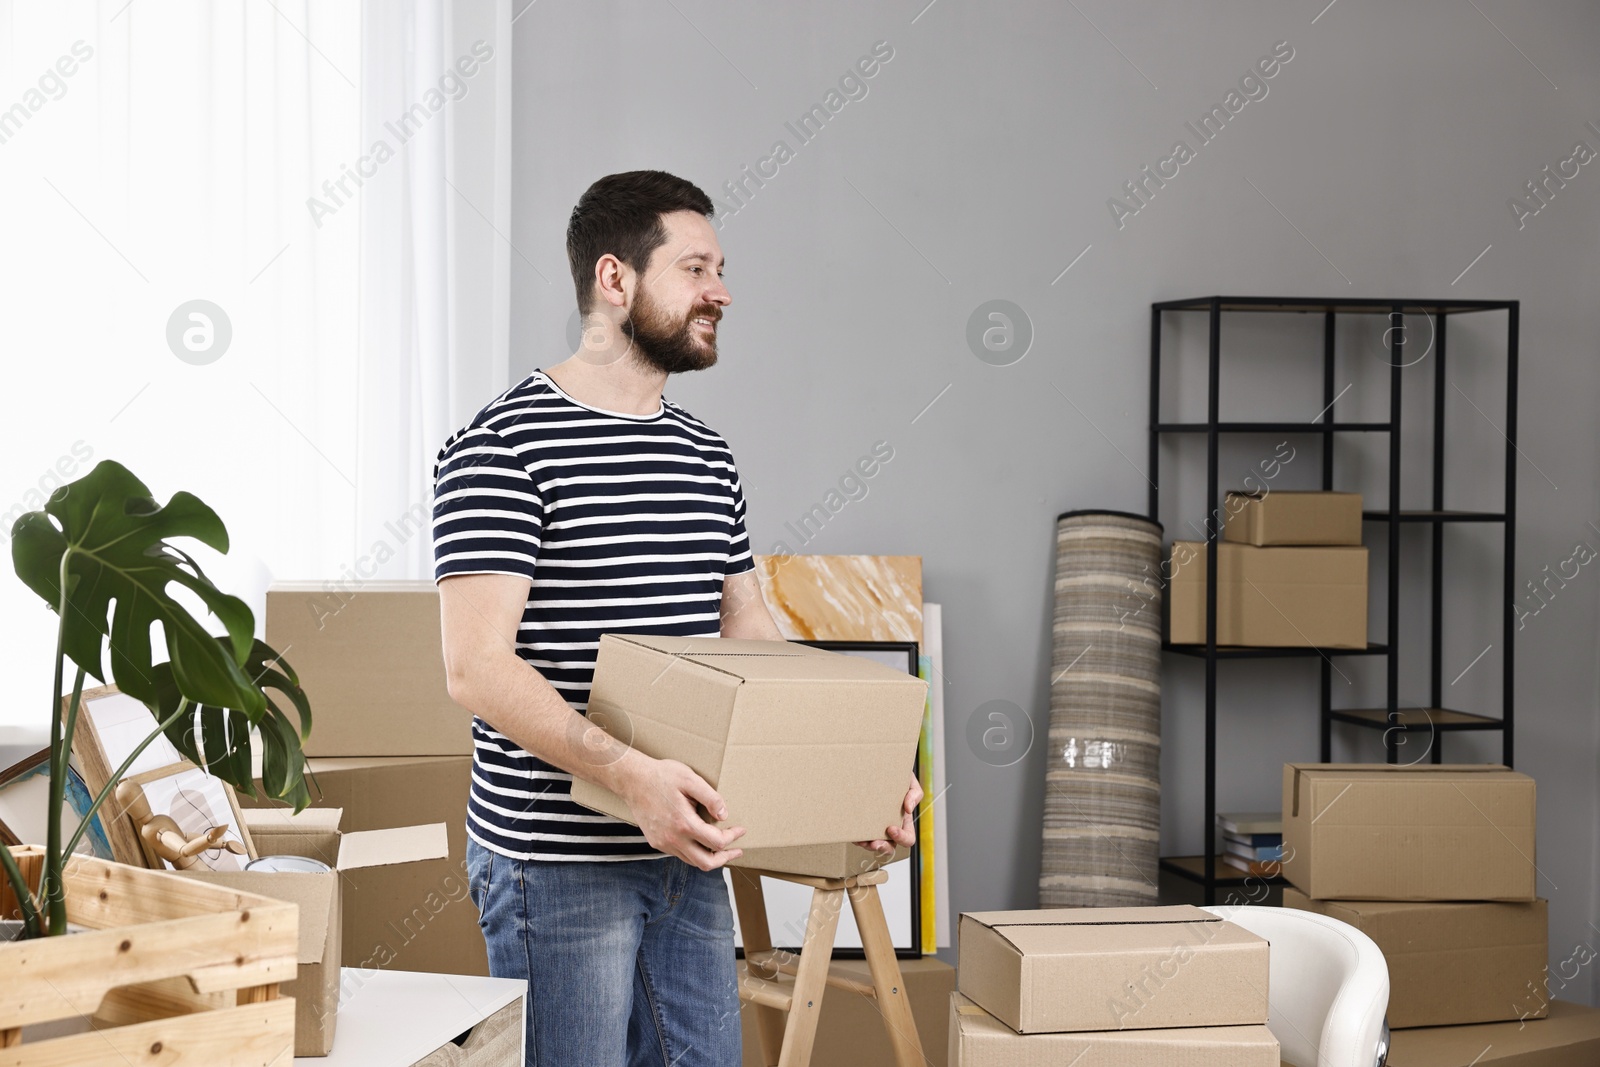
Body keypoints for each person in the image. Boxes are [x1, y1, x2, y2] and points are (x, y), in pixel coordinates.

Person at [431, 169, 921, 1067]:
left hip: (691, 854)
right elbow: (477, 668)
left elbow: (750, 637)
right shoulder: (502, 444)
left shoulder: (704, 453)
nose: (722, 291)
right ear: (615, 280)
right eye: (696, 268)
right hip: (558, 865)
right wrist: (631, 779)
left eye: (721, 268)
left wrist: (859, 768)